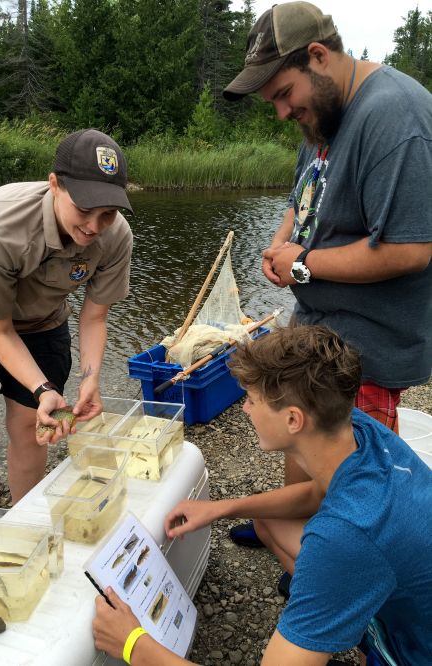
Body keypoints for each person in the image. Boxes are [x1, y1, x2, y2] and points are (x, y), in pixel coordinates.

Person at [221, 0, 432, 550]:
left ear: (317, 56)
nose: (282, 113)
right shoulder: (325, 114)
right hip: (320, 329)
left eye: (283, 95)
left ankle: (328, 579)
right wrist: (277, 247)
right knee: (300, 444)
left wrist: (302, 264)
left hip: (366, 349)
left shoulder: (394, 117)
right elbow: (304, 196)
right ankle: (292, 532)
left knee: (351, 496)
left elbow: (410, 250)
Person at [92, 325, 432, 665]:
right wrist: (223, 508)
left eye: (252, 400)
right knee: (268, 520)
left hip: (414, 651)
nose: (245, 410)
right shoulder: (356, 427)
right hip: (400, 592)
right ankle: (333, 619)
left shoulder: (345, 535)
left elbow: (345, 536)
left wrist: (132, 644)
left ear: (293, 420)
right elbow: (317, 493)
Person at [0, 128, 133, 534]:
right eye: (85, 209)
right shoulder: (1, 223)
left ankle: (27, 534)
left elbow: (93, 317)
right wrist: (44, 389)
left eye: (108, 212)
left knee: (32, 428)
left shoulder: (116, 236)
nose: (96, 226)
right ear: (54, 184)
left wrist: (90, 380)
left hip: (43, 322)